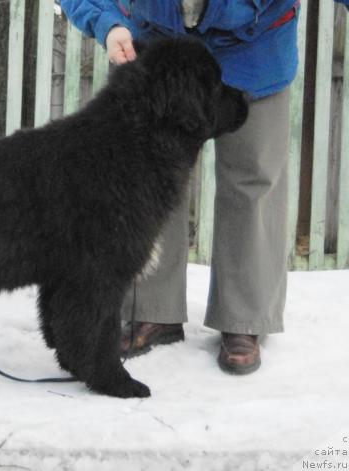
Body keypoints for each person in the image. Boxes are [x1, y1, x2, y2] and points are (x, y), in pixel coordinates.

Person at [60, 0, 349, 374]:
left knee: (253, 179)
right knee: (148, 178)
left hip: (256, 49)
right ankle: (152, 311)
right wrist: (109, 23)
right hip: (160, 53)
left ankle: (244, 320)